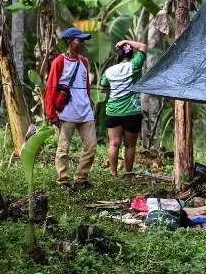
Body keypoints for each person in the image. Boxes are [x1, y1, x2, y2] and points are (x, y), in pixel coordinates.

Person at [45, 27, 96, 191]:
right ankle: (63, 180)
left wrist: (89, 102)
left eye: (83, 40)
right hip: (66, 112)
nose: (82, 43)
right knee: (63, 148)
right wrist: (51, 113)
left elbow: (85, 86)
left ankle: (81, 178)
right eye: (79, 40)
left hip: (85, 112)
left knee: (91, 146)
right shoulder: (59, 62)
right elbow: (51, 88)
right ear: (69, 42)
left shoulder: (84, 62)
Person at [100, 39, 146, 176]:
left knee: (114, 144)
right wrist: (125, 41)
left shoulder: (109, 71)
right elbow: (142, 46)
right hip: (132, 112)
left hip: (113, 111)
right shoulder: (134, 65)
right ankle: (128, 174)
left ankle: (113, 173)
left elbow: (103, 89)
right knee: (130, 145)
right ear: (131, 54)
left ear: (118, 55)